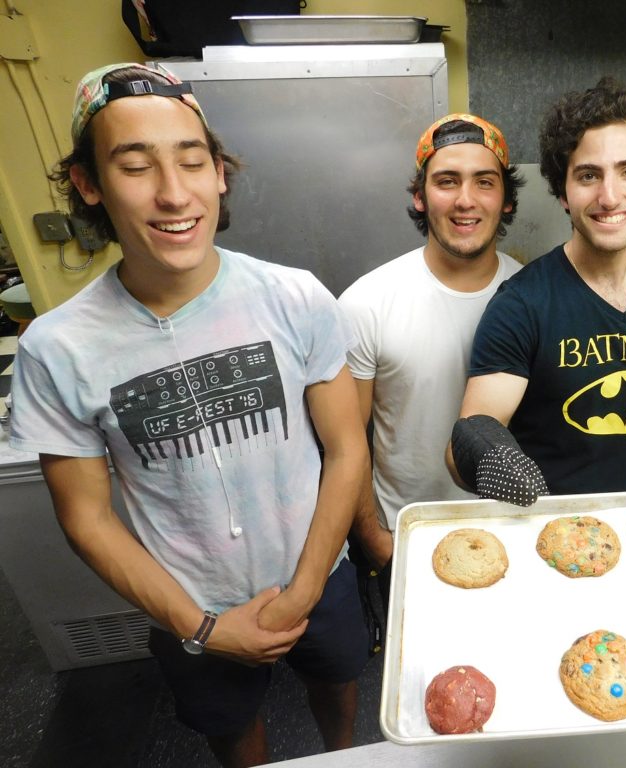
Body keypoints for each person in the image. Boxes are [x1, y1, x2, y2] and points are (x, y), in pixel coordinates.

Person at [9, 63, 371, 767]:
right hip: (190, 604)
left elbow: (346, 447)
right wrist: (201, 627)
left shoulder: (295, 298)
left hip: (318, 573)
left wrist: (303, 588)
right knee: (229, 725)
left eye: (191, 160)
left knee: (339, 682)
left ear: (219, 173)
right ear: (89, 185)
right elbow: (86, 518)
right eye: (136, 166)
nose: (174, 193)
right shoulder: (57, 350)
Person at [447, 77, 626, 501]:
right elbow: (466, 442)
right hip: (550, 537)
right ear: (563, 192)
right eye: (588, 175)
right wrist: (489, 462)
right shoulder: (522, 306)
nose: (609, 196)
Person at [338, 114, 524, 581]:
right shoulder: (367, 302)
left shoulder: (534, 295)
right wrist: (377, 541)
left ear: (505, 199)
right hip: (409, 535)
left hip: (514, 530)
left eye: (485, 182)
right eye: (447, 181)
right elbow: (346, 442)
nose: (466, 200)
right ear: (421, 197)